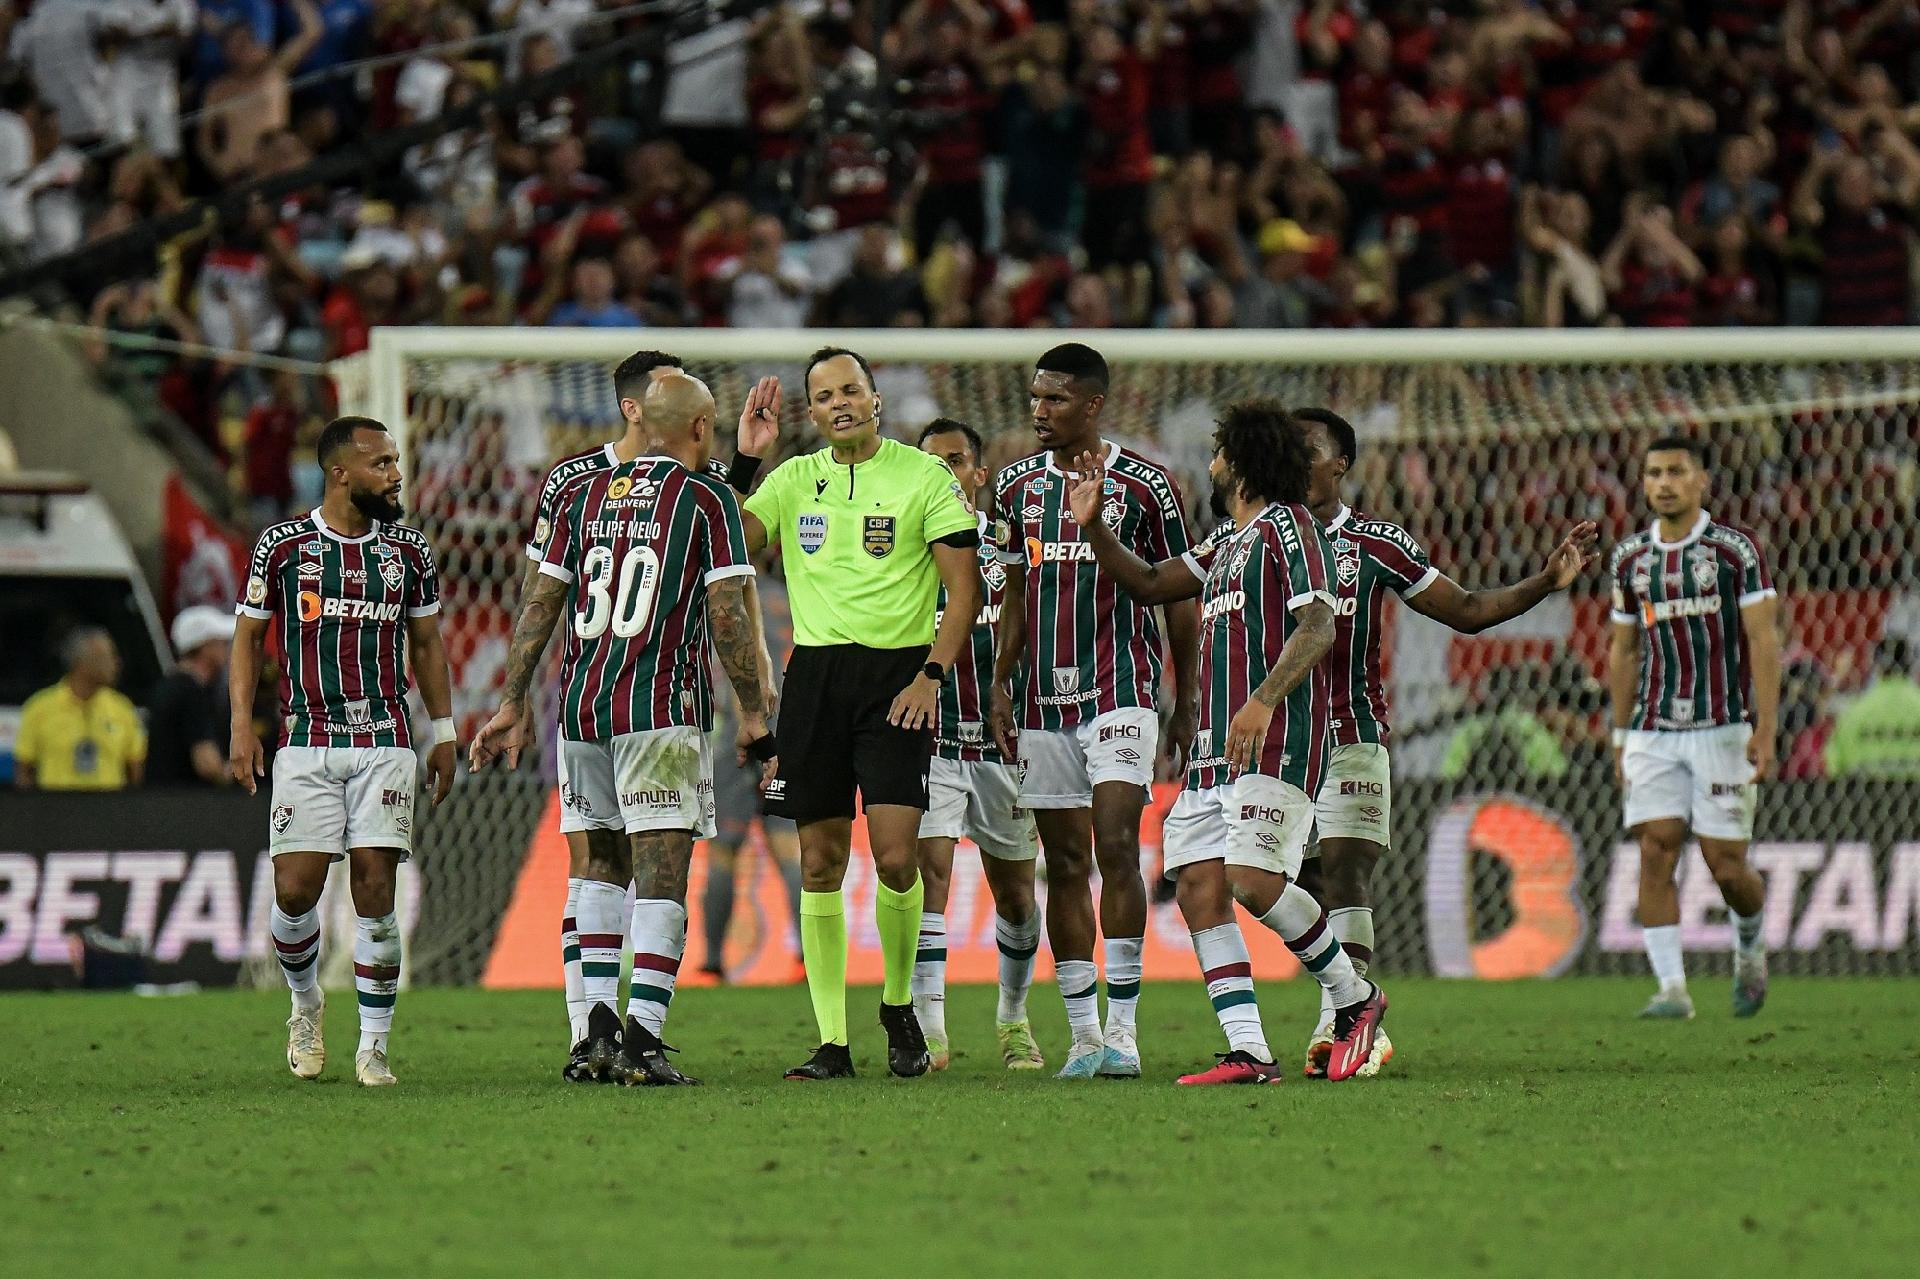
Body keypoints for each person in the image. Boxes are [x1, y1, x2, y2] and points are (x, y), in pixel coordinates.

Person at [1062, 401, 1387, 1083]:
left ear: (1238, 460)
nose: (1209, 464)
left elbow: (1320, 625)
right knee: (1200, 887)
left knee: (1253, 877)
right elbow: (1150, 583)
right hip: (1212, 752)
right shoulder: (1225, 542)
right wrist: (1093, 527)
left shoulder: (1289, 528)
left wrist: (1263, 701)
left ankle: (1355, 999)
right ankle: (1250, 1049)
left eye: (1216, 453)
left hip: (1276, 738)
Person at [471, 372, 772, 1087]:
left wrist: (513, 699)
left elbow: (540, 598)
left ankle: (594, 1035)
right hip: (659, 711)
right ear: (700, 429)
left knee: (600, 866)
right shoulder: (707, 500)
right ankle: (643, 1039)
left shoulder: (580, 492)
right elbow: (727, 612)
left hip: (582, 710)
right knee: (663, 875)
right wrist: (756, 709)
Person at [1288, 407, 1595, 1077]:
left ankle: (1343, 1023)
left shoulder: (1375, 543)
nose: (1291, 457)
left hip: (1351, 734)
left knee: (1345, 865)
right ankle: (1343, 1002)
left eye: (1305, 448)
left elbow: (1466, 611)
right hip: (1280, 739)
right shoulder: (1257, 538)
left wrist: (1544, 581)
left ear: (1339, 463)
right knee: (1281, 881)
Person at [727, 347, 980, 1081]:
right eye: (824, 395)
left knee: (898, 856)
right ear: (811, 412)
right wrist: (746, 462)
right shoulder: (793, 480)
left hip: (897, 677)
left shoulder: (923, 475)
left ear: (875, 397)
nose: (839, 403)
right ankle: (832, 1041)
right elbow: (728, 544)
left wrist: (932, 673)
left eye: (850, 389)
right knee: (819, 861)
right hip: (816, 681)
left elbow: (960, 592)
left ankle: (898, 1004)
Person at [988, 343, 1200, 1080]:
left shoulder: (1147, 486)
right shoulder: (1014, 487)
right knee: (1065, 861)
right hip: (1045, 698)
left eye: (1054, 399)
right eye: (1035, 396)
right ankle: (1082, 1035)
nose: (1039, 411)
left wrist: (1189, 696)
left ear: (1093, 404)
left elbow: (1180, 591)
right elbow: (1014, 595)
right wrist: (997, 681)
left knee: (1115, 844)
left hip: (1125, 690)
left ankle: (1124, 1029)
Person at [230, 416, 458, 1088]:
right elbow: (245, 638)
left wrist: (443, 731)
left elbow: (427, 644)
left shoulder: (409, 553)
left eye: (395, 461)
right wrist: (242, 725)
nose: (395, 475)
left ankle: (374, 1046)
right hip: (305, 737)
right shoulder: (283, 546)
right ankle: (305, 1004)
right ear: (341, 473)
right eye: (382, 463)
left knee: (374, 889)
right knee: (295, 891)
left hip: (385, 738)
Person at [1608, 436, 1779, 1021]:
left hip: (1724, 724)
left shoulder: (1734, 551)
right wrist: (1619, 735)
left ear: (1701, 479)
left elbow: (1762, 638)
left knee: (1725, 863)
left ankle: (1750, 944)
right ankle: (1672, 990)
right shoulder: (1630, 559)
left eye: (1676, 471)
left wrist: (1767, 727)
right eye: (1654, 472)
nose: (1663, 483)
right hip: (1653, 727)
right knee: (1655, 849)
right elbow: (1624, 651)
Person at [912, 419, 1045, 1073]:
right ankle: (930, 1031)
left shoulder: (1012, 549)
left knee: (1017, 896)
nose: (942, 471)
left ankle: (1013, 1016)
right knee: (927, 879)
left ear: (979, 473)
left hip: (1005, 745)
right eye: (929, 462)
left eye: (955, 460)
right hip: (930, 736)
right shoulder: (901, 548)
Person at [700, 568, 803, 984]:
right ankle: (809, 957)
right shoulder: (791, 596)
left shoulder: (720, 594)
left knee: (724, 851)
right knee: (790, 849)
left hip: (736, 737)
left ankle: (712, 961)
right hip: (787, 735)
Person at [14, 629, 145, 791]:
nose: (116, 663)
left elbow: (135, 770)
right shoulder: (39, 708)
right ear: (82, 664)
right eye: (108, 657)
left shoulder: (122, 709)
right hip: (54, 809)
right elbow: (24, 770)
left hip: (109, 810)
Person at [147, 606, 238, 787]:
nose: (228, 650)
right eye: (222, 643)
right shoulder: (190, 692)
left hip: (160, 802)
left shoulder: (166, 686)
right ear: (205, 648)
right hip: (183, 805)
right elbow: (207, 764)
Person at [1824, 638, 1920, 779]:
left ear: (1877, 666)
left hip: (1865, 794)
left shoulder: (1856, 711)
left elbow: (1833, 763)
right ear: (1912, 665)